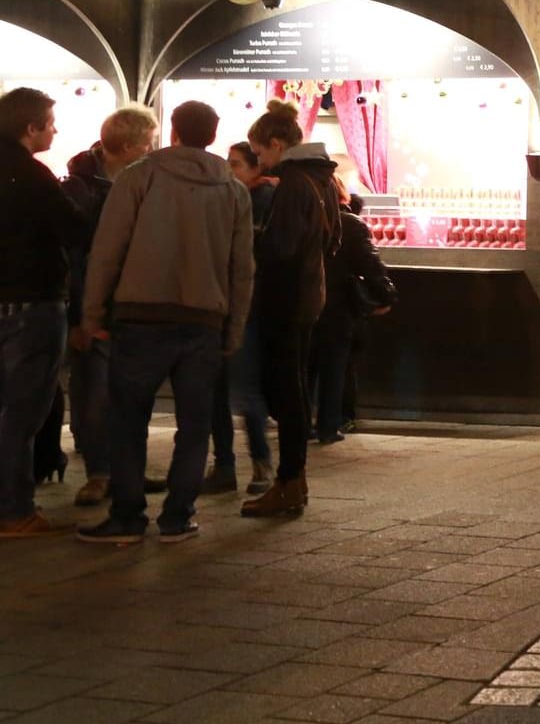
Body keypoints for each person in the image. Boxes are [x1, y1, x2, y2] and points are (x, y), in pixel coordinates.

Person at [75, 100, 253, 544]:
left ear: (171, 131)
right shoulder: (234, 191)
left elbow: (107, 251)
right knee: (194, 424)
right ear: (213, 137)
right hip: (203, 322)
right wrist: (233, 330)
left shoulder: (140, 177)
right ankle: (178, 516)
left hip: (140, 318)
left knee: (128, 420)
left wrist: (92, 314)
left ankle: (128, 516)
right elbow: (241, 269)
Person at [240, 100, 341, 518]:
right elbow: (333, 240)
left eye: (260, 153)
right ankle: (291, 480)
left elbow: (280, 248)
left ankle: (289, 480)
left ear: (277, 144)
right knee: (291, 387)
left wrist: (251, 243)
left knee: (286, 390)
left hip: (287, 299)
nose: (259, 162)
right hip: (307, 296)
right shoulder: (320, 179)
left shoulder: (296, 182)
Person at [55, 107, 158, 505]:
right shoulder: (81, 187)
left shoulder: (136, 179)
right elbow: (77, 256)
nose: (150, 149)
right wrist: (84, 312)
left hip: (131, 303)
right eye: (147, 142)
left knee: (130, 394)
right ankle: (100, 473)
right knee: (95, 395)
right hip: (95, 304)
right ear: (130, 146)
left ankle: (127, 471)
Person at [0, 89, 87, 538]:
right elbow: (74, 228)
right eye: (50, 123)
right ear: (29, 127)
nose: (55, 130)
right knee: (22, 412)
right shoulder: (33, 175)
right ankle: (14, 512)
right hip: (31, 304)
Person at [311, 179, 396, 444]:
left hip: (304, 303)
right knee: (335, 366)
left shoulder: (302, 218)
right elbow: (370, 264)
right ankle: (329, 424)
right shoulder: (350, 225)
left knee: (305, 367)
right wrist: (386, 295)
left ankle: (300, 423)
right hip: (337, 306)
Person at [222, 142, 276, 494]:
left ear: (256, 167)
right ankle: (235, 465)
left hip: (250, 307)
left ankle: (261, 464)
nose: (230, 170)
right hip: (232, 304)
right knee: (234, 389)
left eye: (237, 164)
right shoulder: (234, 199)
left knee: (246, 388)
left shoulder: (260, 201)